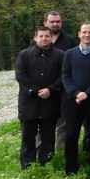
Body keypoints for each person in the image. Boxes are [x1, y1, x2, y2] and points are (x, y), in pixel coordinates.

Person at [62, 22, 90, 178]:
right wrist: (76, 93)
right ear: (79, 34)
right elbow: (65, 76)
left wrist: (87, 93)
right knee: (71, 134)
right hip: (74, 101)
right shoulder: (69, 54)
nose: (87, 35)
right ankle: (71, 170)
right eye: (84, 32)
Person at [16, 26, 64, 168]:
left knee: (48, 137)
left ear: (51, 38)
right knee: (27, 137)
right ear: (35, 37)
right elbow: (20, 76)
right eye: (41, 36)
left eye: (47, 36)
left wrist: (51, 90)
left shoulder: (60, 55)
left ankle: (46, 165)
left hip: (50, 102)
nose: (44, 39)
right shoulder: (24, 55)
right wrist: (36, 90)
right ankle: (28, 166)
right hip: (29, 103)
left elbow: (63, 76)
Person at [43, 10, 78, 151]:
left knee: (63, 123)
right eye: (52, 22)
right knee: (43, 122)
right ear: (45, 23)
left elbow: (74, 65)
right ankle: (43, 153)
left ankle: (60, 153)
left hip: (64, 88)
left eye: (58, 21)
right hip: (44, 89)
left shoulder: (70, 41)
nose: (55, 24)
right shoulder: (39, 40)